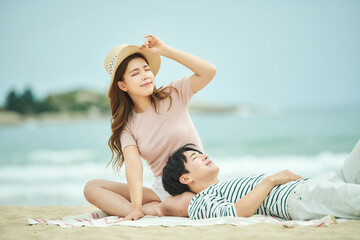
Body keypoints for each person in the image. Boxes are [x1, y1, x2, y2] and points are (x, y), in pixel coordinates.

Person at [83, 34, 216, 221]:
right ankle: (146, 210)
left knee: (187, 203)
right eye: (135, 73)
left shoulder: (173, 94)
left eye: (146, 69)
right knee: (92, 187)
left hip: (193, 183)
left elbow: (208, 71)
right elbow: (133, 165)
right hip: (162, 191)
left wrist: (164, 50)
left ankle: (158, 209)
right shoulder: (127, 126)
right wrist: (136, 208)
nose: (145, 75)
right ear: (122, 85)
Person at [162, 141, 360, 220]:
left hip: (324, 182)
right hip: (302, 198)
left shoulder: (221, 187)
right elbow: (235, 213)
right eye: (196, 158)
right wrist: (272, 180)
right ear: (186, 177)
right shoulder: (199, 202)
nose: (204, 156)